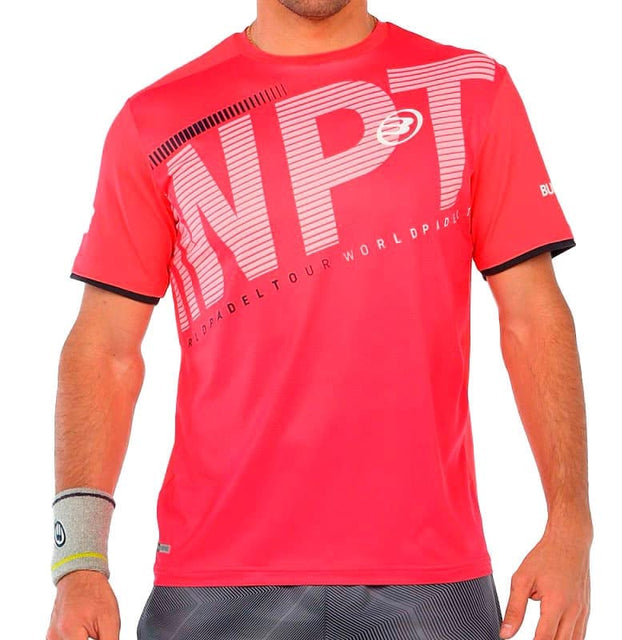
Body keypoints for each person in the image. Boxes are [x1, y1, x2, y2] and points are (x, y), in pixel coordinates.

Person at [46, 1, 593, 639]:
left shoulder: (471, 89)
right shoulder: (157, 120)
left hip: (431, 577)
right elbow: (105, 348)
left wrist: (571, 524)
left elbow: (532, 316)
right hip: (215, 580)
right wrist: (77, 562)